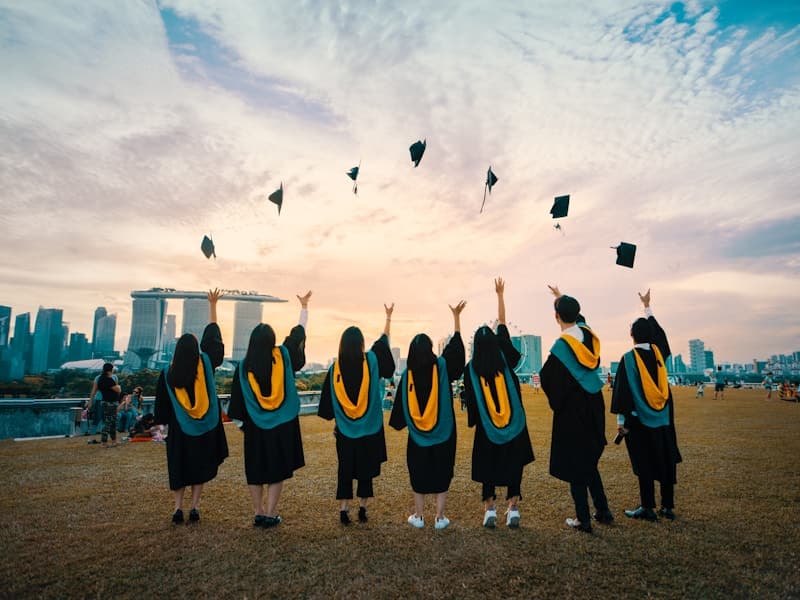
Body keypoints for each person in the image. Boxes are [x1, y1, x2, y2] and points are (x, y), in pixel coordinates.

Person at [227, 291, 311, 528]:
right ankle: (271, 513)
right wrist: (304, 309)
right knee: (276, 470)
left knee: (255, 469)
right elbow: (296, 336)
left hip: (254, 426)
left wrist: (244, 425)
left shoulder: (244, 367)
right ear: (273, 340)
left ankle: (258, 511)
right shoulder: (283, 356)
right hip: (282, 424)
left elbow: (236, 402)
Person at [540, 285, 611, 534]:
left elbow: (547, 377)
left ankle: (583, 519)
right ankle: (603, 510)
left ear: (556, 317)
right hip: (595, 403)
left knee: (575, 463)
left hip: (573, 410)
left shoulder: (561, 348)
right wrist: (561, 299)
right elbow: (578, 319)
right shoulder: (589, 337)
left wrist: (558, 402)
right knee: (589, 460)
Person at [463, 279, 534, 529]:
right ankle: (513, 509)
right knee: (514, 464)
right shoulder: (504, 357)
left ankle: (489, 509)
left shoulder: (470, 369)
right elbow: (502, 324)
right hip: (514, 423)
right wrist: (500, 296)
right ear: (495, 343)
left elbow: (470, 401)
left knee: (488, 467)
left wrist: (475, 418)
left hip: (487, 427)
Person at [389, 300, 466, 530]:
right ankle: (440, 517)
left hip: (417, 437)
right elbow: (457, 353)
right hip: (444, 432)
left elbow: (399, 413)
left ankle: (419, 516)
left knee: (419, 473)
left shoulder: (407, 375)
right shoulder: (441, 365)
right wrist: (456, 319)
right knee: (442, 471)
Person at [154, 289, 228, 525]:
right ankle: (195, 507)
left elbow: (161, 409)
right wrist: (213, 306)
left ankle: (178, 508)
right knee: (200, 466)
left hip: (179, 429)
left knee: (180, 468)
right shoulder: (205, 365)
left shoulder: (167, 374)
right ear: (197, 352)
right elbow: (214, 342)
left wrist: (162, 431)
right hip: (204, 427)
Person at [318, 303, 396, 525]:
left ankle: (344, 510)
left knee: (345, 469)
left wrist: (339, 421)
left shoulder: (335, 370)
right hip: (369, 429)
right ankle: (362, 508)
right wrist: (388, 318)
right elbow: (383, 343)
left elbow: (327, 405)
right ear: (361, 344)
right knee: (365, 469)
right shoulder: (371, 360)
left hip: (344, 431)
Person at [611, 289, 682, 522]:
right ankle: (668, 506)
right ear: (651, 336)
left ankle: (648, 507)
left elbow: (622, 393)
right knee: (665, 458)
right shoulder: (659, 354)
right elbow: (660, 336)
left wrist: (621, 422)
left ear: (631, 334)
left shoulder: (629, 358)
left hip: (639, 420)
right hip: (663, 419)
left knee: (644, 461)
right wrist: (647, 307)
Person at [86, 362, 122, 448]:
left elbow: (116, 387)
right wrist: (91, 401)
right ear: (111, 369)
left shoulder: (114, 377)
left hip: (111, 401)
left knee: (111, 421)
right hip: (103, 401)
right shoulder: (100, 378)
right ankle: (97, 439)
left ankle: (113, 440)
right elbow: (117, 389)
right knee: (101, 419)